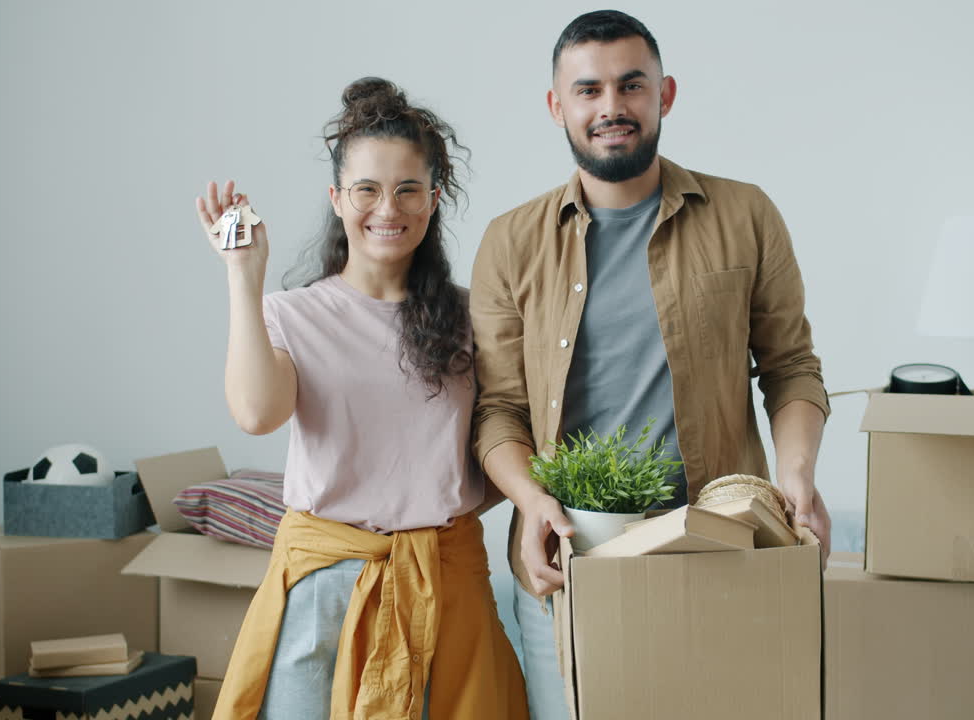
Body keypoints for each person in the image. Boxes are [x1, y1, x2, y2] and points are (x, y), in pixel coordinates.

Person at [469, 10, 832, 718]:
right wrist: (530, 500)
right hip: (571, 560)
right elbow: (498, 411)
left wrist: (796, 477)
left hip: (720, 548)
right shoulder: (511, 242)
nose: (611, 107)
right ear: (557, 107)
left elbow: (791, 367)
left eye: (631, 86)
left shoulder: (746, 215)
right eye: (588, 90)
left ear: (664, 94)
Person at [195, 77, 527, 720]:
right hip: (322, 591)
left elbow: (502, 439)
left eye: (408, 188)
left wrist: (437, 515)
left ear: (434, 197)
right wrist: (243, 276)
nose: (388, 208)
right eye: (367, 189)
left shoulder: (472, 317)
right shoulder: (292, 315)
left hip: (443, 583)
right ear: (337, 198)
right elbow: (257, 414)